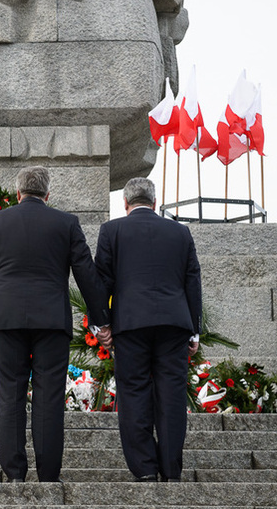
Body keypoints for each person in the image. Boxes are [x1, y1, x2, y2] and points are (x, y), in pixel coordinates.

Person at [0, 165, 105, 483]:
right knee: (49, 398)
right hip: (51, 322)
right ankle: (48, 474)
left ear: (17, 194)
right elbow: (86, 272)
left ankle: (15, 473)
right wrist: (101, 321)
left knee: (10, 395)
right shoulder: (67, 223)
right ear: (48, 194)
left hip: (6, 321)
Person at [92, 177, 201, 482]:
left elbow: (102, 280)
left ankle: (144, 468)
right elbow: (192, 280)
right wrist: (194, 330)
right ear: (155, 202)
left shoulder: (112, 230)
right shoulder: (180, 232)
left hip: (130, 324)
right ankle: (170, 469)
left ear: (125, 204)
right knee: (172, 396)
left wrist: (102, 324)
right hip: (174, 324)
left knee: (134, 393)